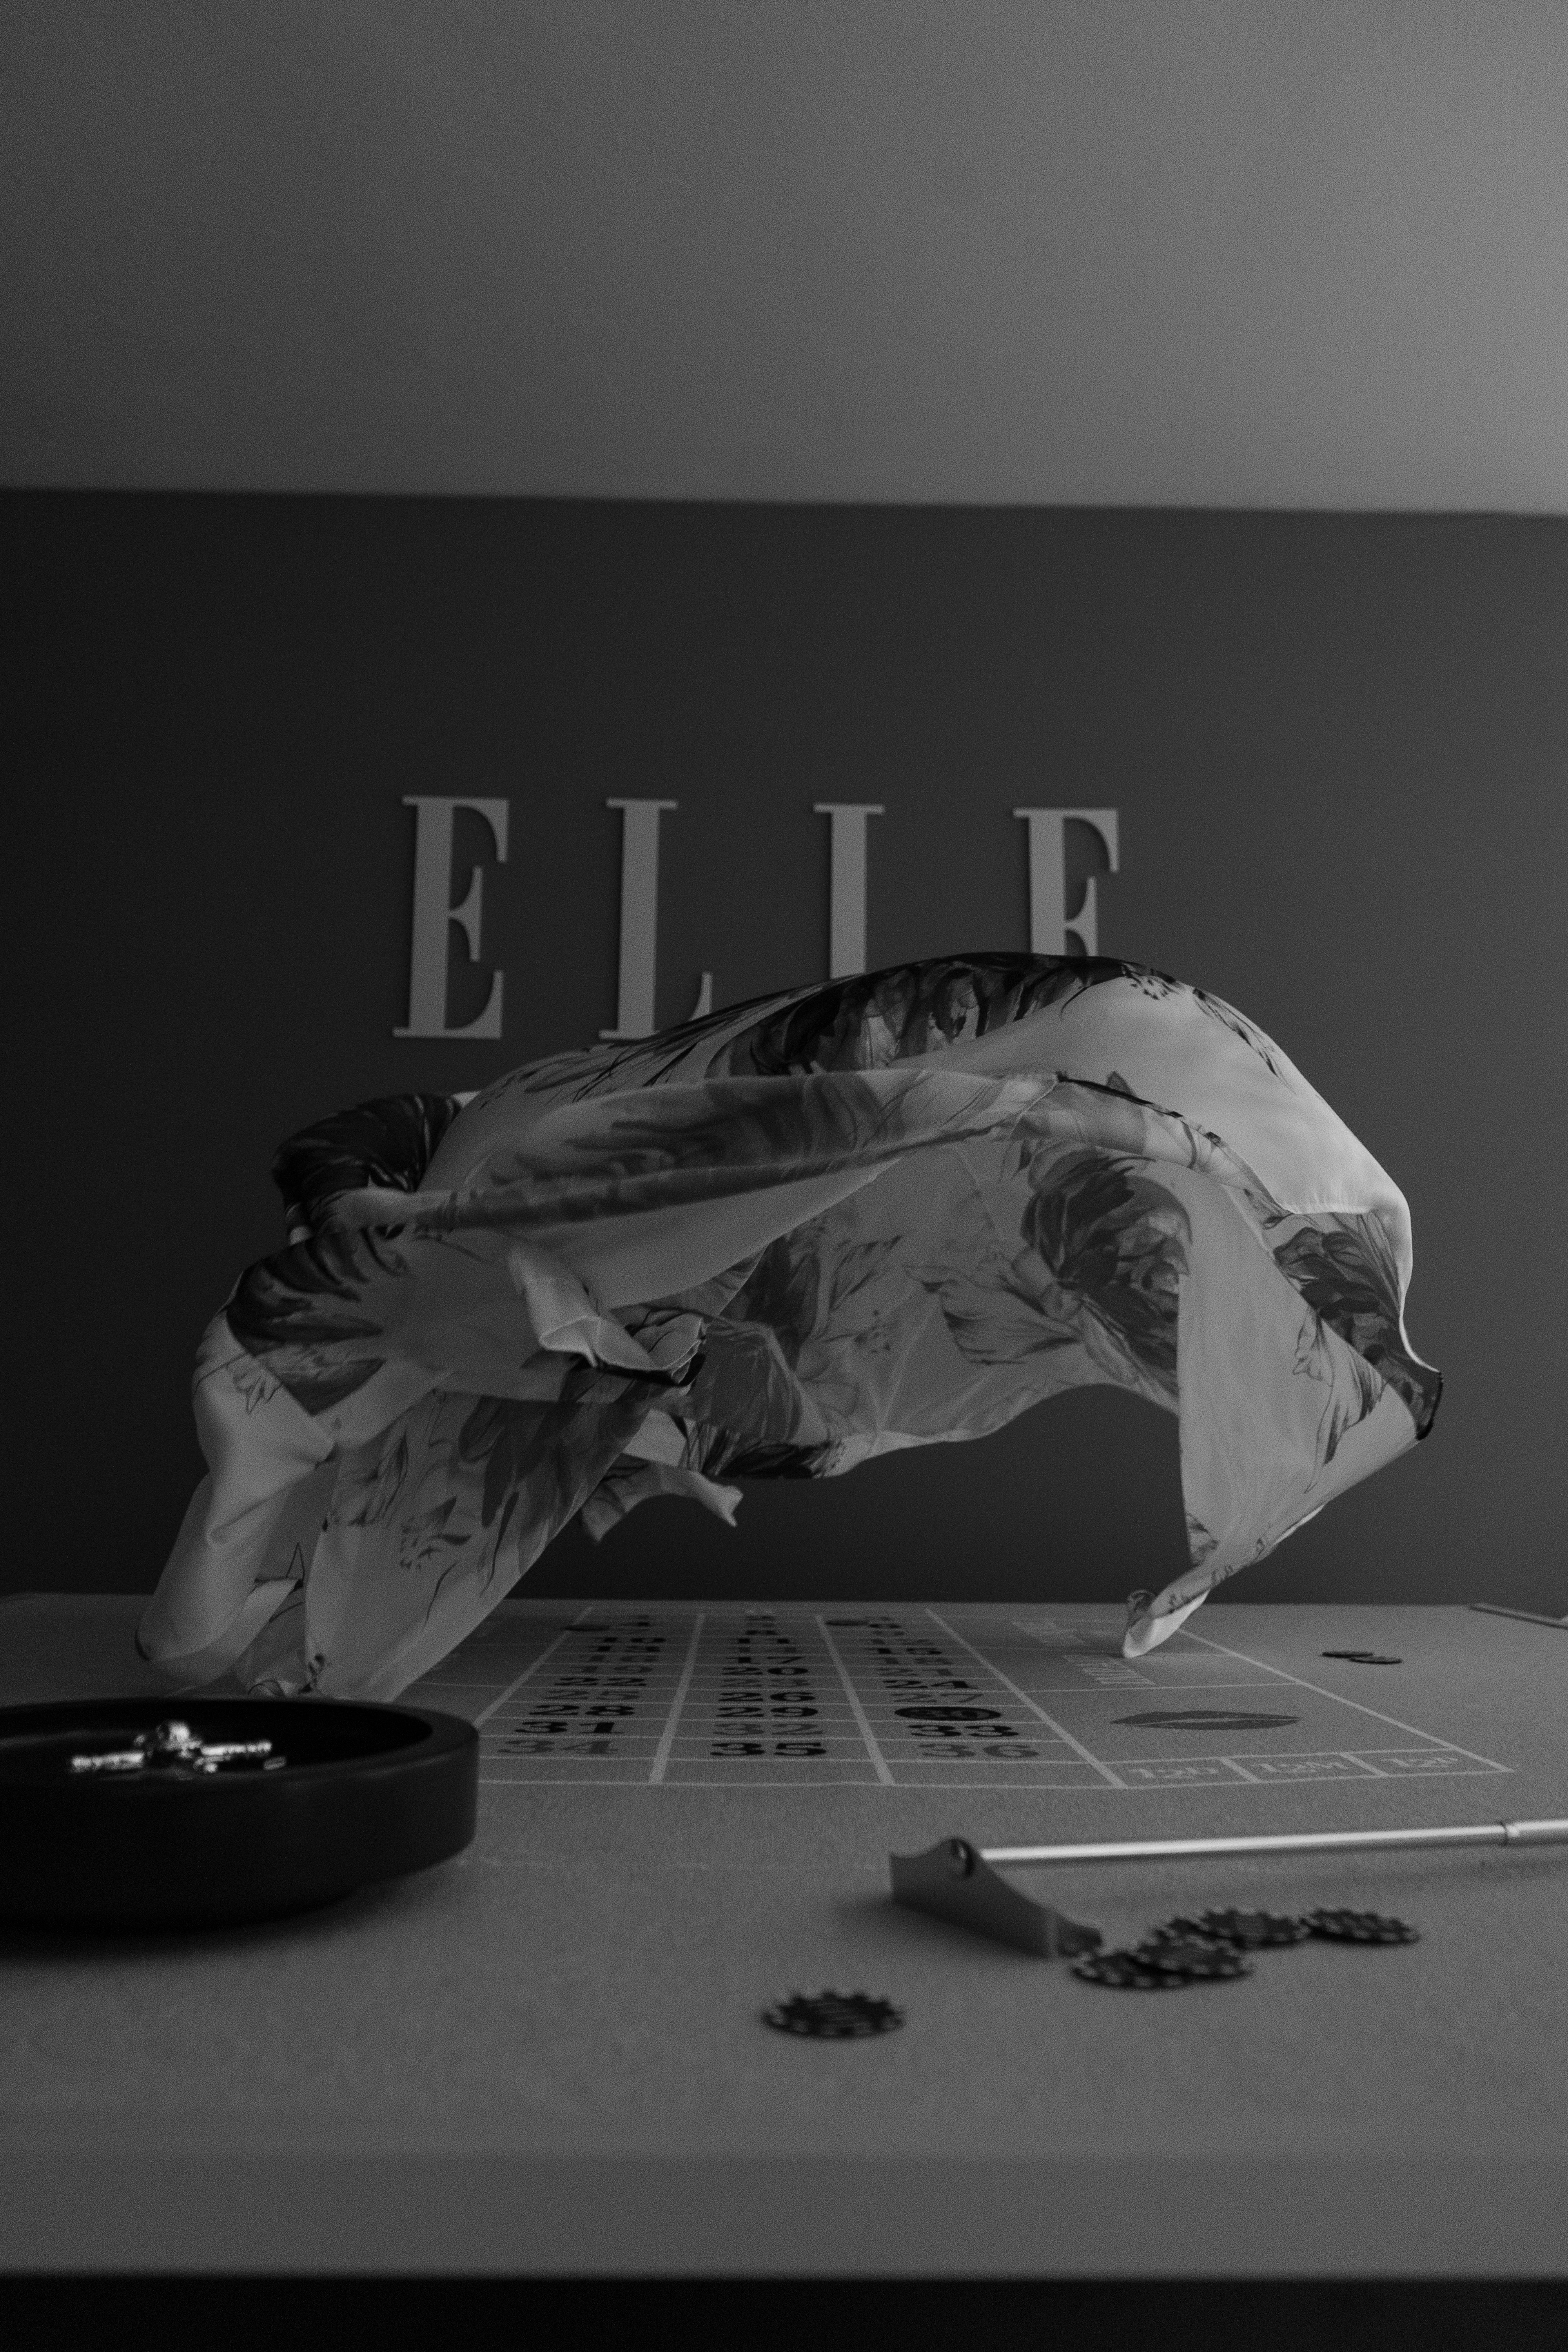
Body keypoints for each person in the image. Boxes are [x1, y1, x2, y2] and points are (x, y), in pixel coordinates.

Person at [138, 954, 1439, 1700]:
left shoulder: (544, 1194)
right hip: (499, 1277)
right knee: (223, 1645)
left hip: (594, 1270)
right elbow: (367, 1182)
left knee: (247, 1638)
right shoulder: (454, 1196)